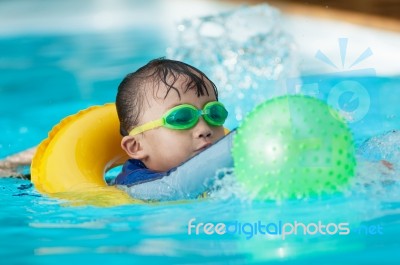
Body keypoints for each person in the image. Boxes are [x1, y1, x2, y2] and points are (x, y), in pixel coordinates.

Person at [113, 58, 228, 186]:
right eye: (181, 118)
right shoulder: (135, 184)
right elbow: (174, 189)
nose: (205, 130)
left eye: (214, 113)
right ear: (136, 146)